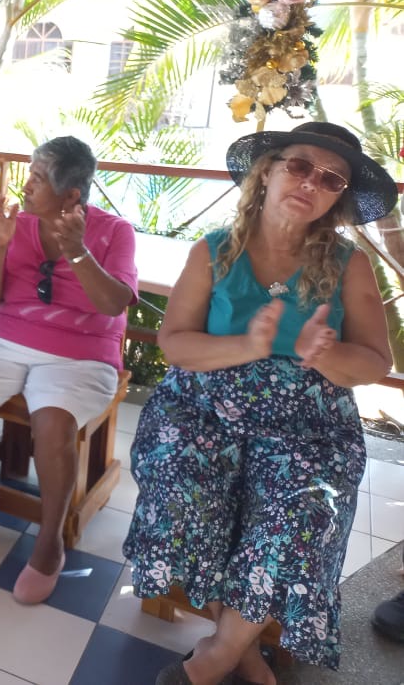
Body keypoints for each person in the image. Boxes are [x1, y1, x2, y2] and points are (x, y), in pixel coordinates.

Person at [123, 122, 397, 685]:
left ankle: (218, 655)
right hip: (205, 408)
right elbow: (175, 342)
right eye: (300, 165)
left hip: (308, 424)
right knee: (179, 480)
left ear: (338, 199)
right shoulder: (214, 251)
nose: (311, 183)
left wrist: (323, 354)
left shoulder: (349, 264)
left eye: (332, 179)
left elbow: (375, 362)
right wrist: (249, 345)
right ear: (267, 170)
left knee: (305, 511)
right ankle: (244, 654)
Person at [0, 136, 137, 602]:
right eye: (29, 174)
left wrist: (77, 251)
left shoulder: (114, 232)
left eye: (38, 178)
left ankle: (49, 542)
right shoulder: (19, 224)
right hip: (6, 338)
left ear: (72, 195)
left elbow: (113, 304)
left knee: (52, 425)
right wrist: (0, 246)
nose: (26, 186)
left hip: (82, 352)